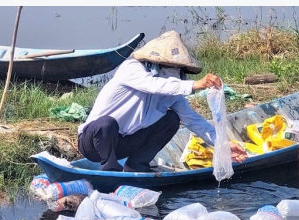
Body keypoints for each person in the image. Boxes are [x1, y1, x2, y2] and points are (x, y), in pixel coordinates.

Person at [78, 30, 247, 172]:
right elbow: (153, 85)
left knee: (172, 119)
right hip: (94, 143)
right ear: (156, 64)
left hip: (124, 143)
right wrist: (196, 84)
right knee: (106, 123)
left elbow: (194, 121)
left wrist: (223, 145)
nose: (176, 73)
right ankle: (110, 169)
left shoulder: (172, 93)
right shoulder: (131, 69)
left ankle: (137, 164)